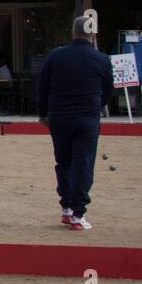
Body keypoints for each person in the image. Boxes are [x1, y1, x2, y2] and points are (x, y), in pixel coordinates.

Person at [37, 16, 114, 231]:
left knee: (63, 161)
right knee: (83, 163)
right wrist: (96, 107)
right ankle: (78, 213)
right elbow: (108, 90)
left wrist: (43, 113)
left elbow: (43, 87)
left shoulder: (55, 56)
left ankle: (66, 207)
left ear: (72, 33)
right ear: (93, 35)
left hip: (59, 117)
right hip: (87, 118)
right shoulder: (102, 59)